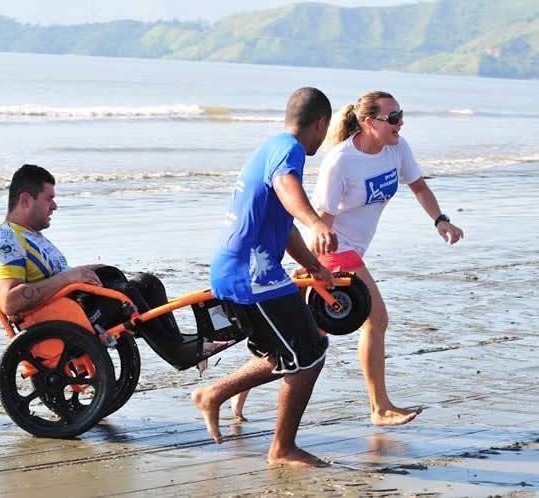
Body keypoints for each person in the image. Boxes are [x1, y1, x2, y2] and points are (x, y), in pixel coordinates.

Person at [191, 88, 337, 467]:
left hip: (246, 271)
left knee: (286, 353)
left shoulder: (271, 147)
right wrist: (316, 221)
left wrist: (314, 264)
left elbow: (283, 227)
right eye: (326, 128)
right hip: (250, 276)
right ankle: (282, 448)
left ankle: (214, 394)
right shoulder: (289, 151)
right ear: (320, 123)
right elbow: (288, 190)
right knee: (310, 353)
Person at [308, 90, 463, 426]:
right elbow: (322, 220)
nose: (400, 123)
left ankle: (226, 393)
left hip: (353, 250)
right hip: (335, 249)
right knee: (376, 319)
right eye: (393, 118)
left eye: (401, 115)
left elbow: (419, 187)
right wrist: (313, 264)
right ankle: (380, 408)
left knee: (307, 331)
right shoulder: (341, 161)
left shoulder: (396, 148)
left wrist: (441, 220)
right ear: (368, 122)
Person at [0, 164, 183, 348]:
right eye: (49, 198)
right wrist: (68, 278)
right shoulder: (5, 242)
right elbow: (10, 301)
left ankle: (180, 342)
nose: (54, 206)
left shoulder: (31, 236)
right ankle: (178, 352)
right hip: (59, 324)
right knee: (126, 294)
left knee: (147, 283)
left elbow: (57, 276)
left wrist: (86, 271)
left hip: (74, 310)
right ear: (25, 200)